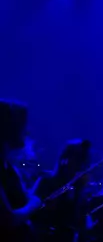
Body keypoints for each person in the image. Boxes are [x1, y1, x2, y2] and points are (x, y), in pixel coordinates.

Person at [0, 100, 43, 241]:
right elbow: (8, 219)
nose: (27, 131)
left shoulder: (9, 168)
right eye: (23, 124)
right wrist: (34, 204)